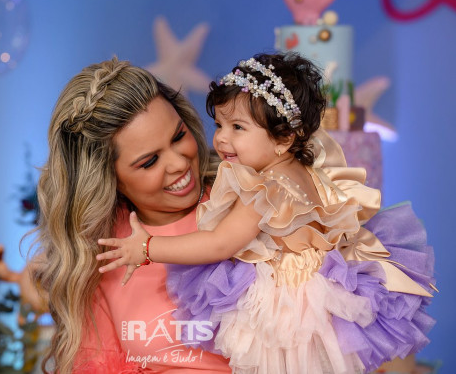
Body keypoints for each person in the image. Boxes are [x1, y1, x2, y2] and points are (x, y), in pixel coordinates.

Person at [97, 53, 436, 374]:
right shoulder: (304, 170)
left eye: (237, 128)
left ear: (283, 137)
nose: (221, 140)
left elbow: (218, 244)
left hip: (290, 301)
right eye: (219, 125)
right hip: (327, 288)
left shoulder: (265, 189)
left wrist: (146, 247)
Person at [29, 57, 241, 373]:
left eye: (178, 136)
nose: (179, 163)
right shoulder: (102, 253)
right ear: (109, 178)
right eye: (149, 162)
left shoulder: (245, 202)